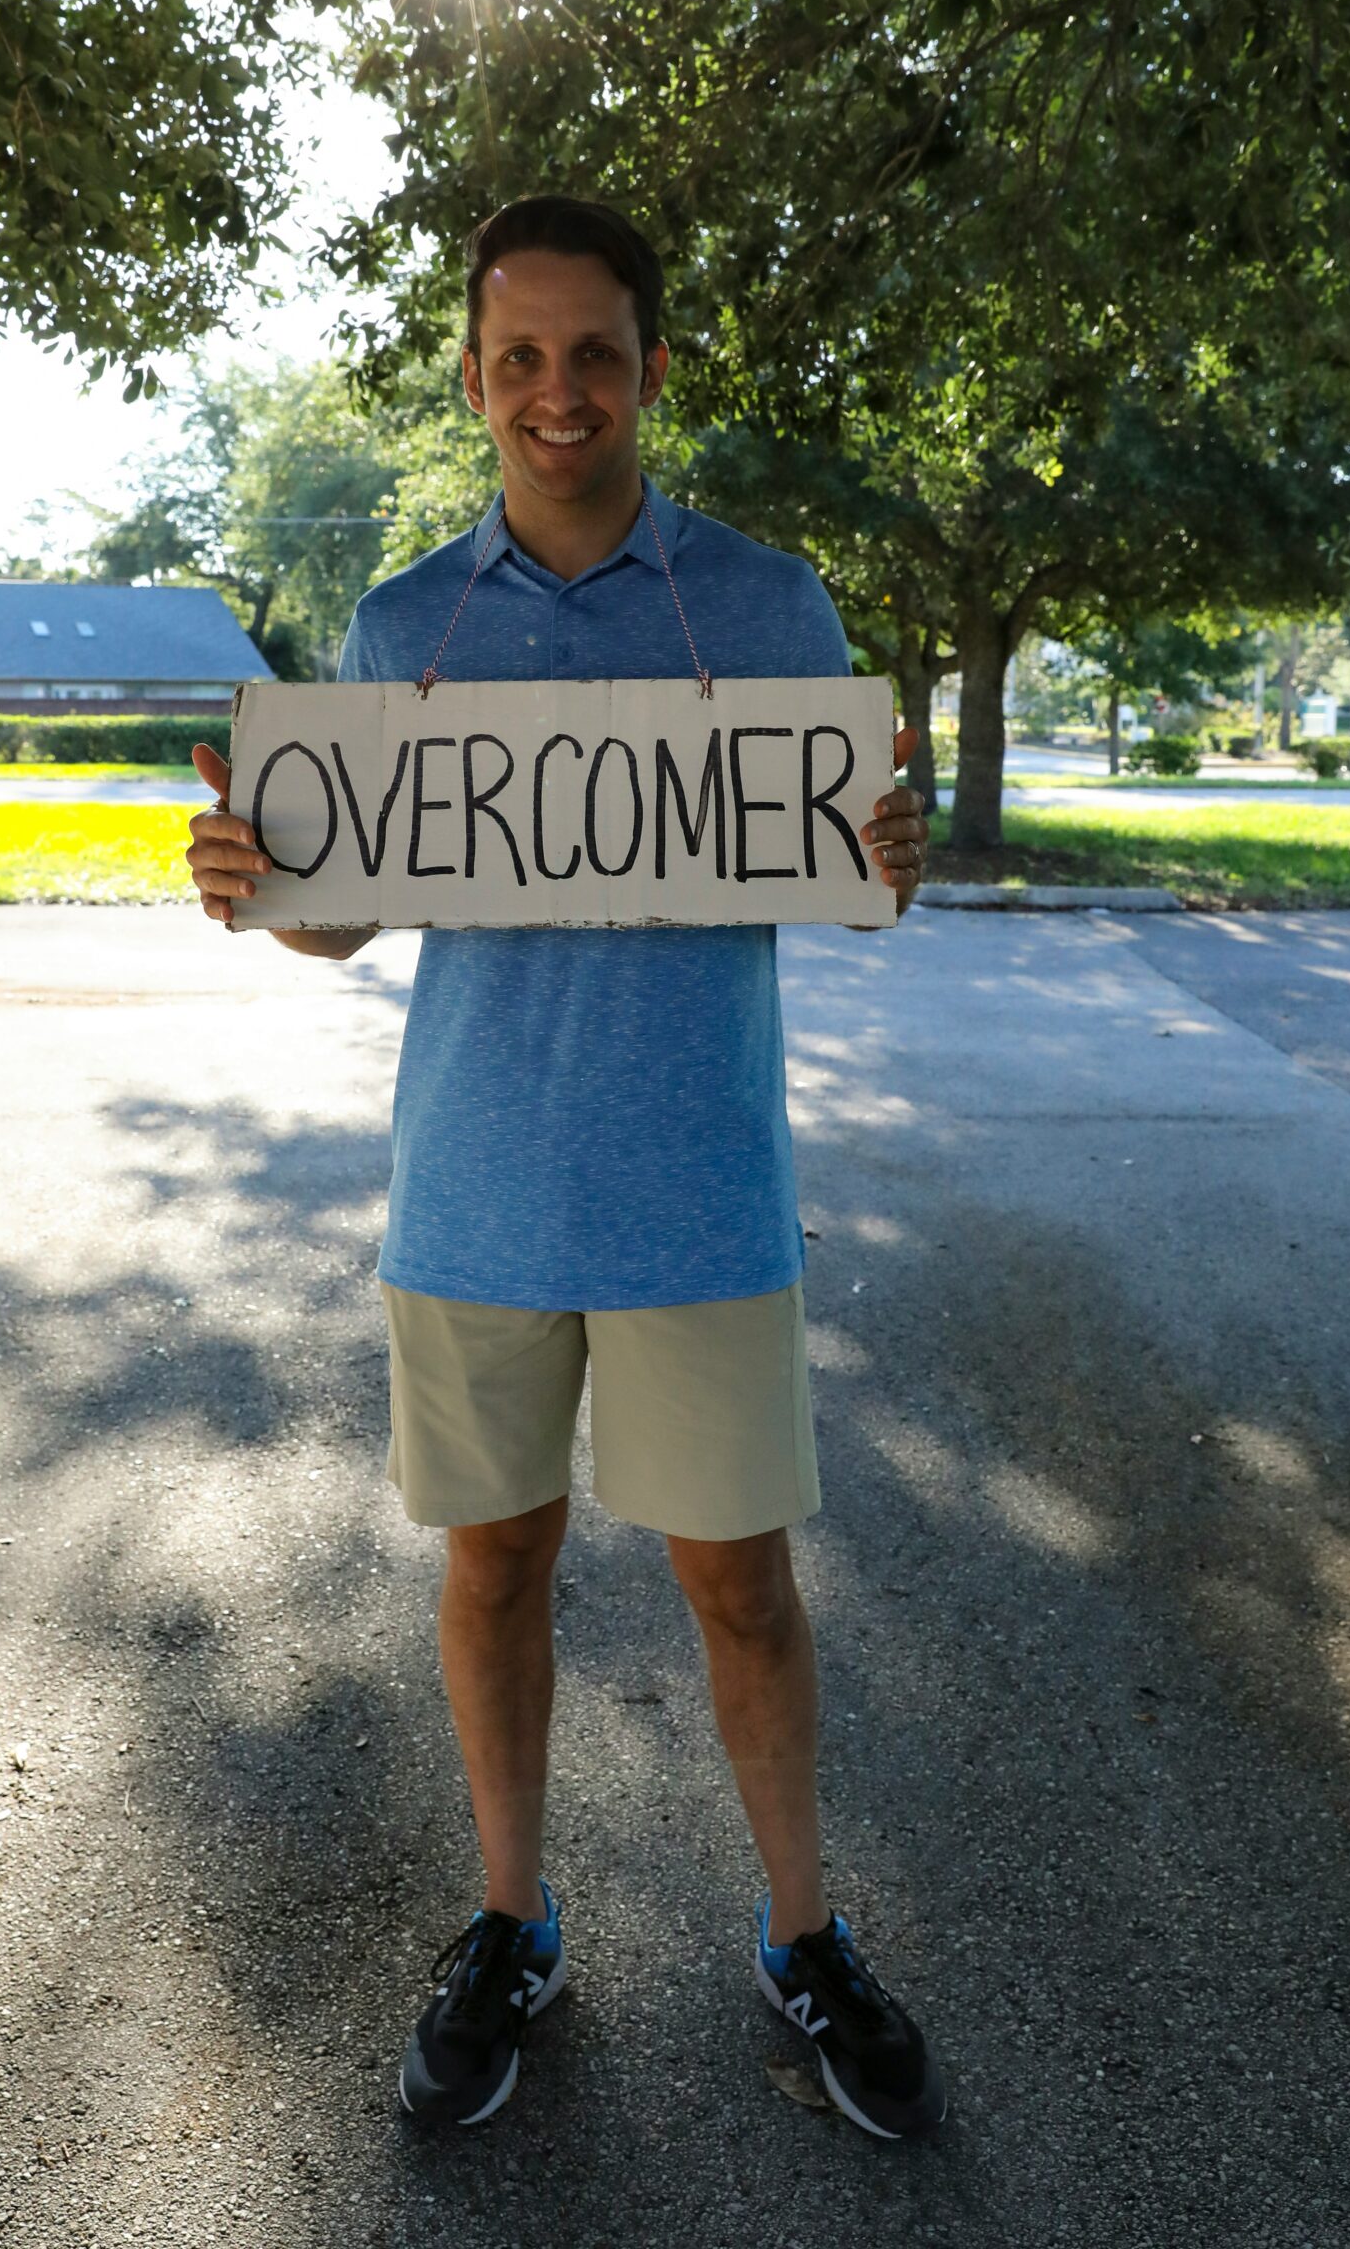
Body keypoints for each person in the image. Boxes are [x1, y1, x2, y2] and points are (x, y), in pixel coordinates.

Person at [185, 194, 942, 2140]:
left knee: (741, 1588)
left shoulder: (768, 609)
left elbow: (844, 879)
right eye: (515, 355)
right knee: (492, 1561)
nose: (554, 390)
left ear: (651, 367)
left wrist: (882, 853)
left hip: (699, 1191)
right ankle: (509, 1918)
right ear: (471, 377)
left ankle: (801, 1937)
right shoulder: (398, 624)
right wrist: (268, 890)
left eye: (591, 350)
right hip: (476, 1193)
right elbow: (340, 923)